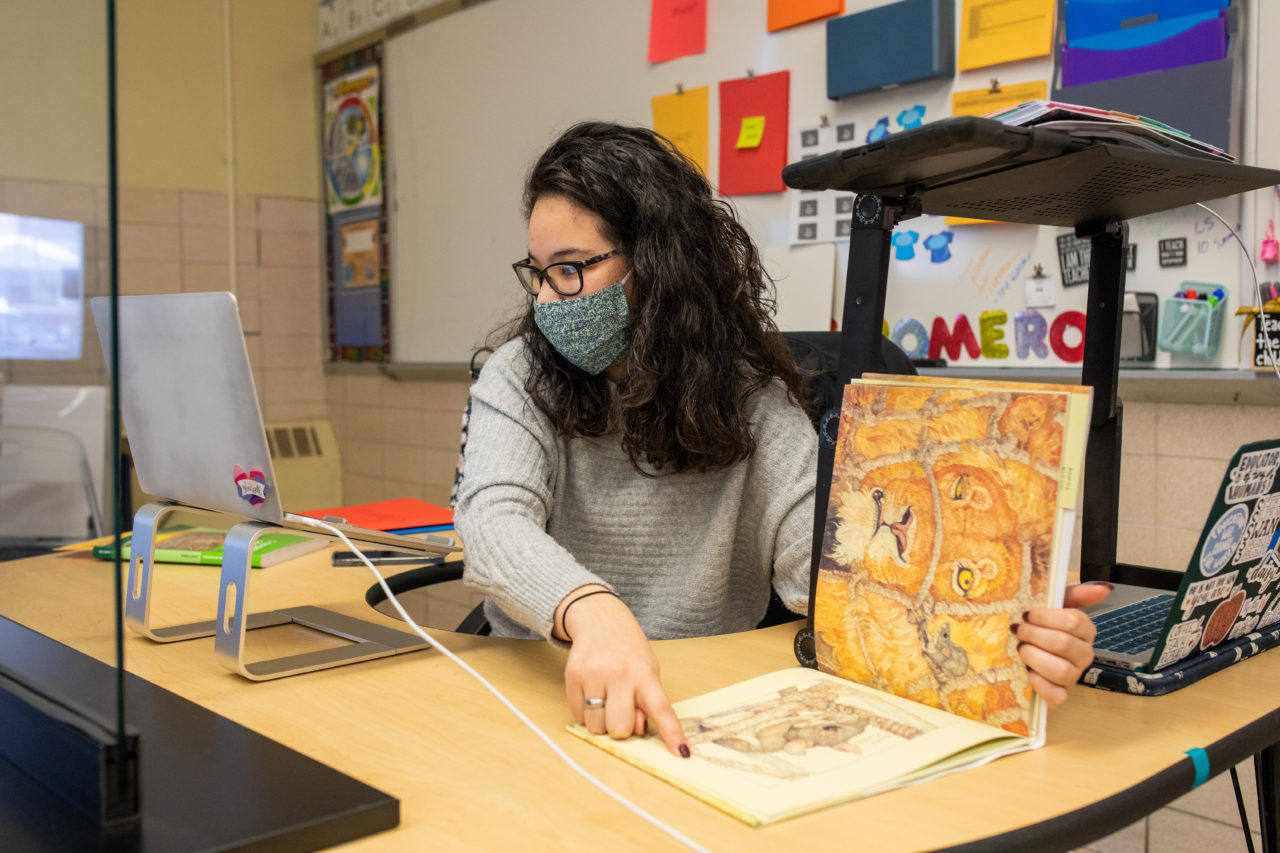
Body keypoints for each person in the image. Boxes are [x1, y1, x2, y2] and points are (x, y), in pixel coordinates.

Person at [454, 121, 1109, 759]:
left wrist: (1011, 632)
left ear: (656, 264)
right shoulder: (520, 372)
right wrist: (592, 612)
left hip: (700, 709)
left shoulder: (752, 397)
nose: (546, 300)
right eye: (536, 272)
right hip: (539, 694)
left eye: (569, 270)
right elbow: (489, 523)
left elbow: (832, 581)